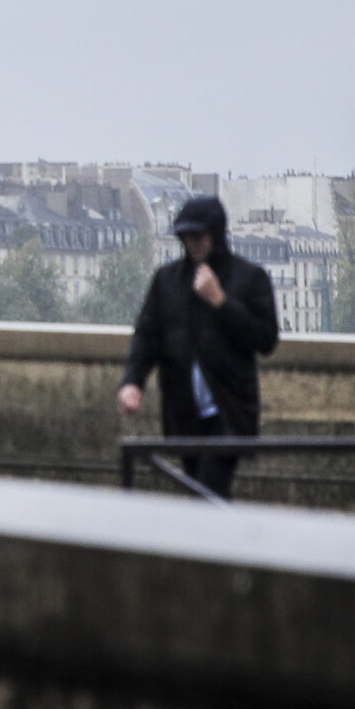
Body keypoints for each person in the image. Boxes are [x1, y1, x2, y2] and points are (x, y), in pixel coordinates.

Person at [116, 195, 279, 501]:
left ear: (215, 234)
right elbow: (147, 336)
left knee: (206, 493)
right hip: (184, 412)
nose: (192, 243)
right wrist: (132, 382)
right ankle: (220, 547)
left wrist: (221, 303)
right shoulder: (167, 281)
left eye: (199, 235)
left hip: (228, 412)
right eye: (186, 236)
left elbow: (266, 339)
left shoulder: (249, 278)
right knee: (202, 496)